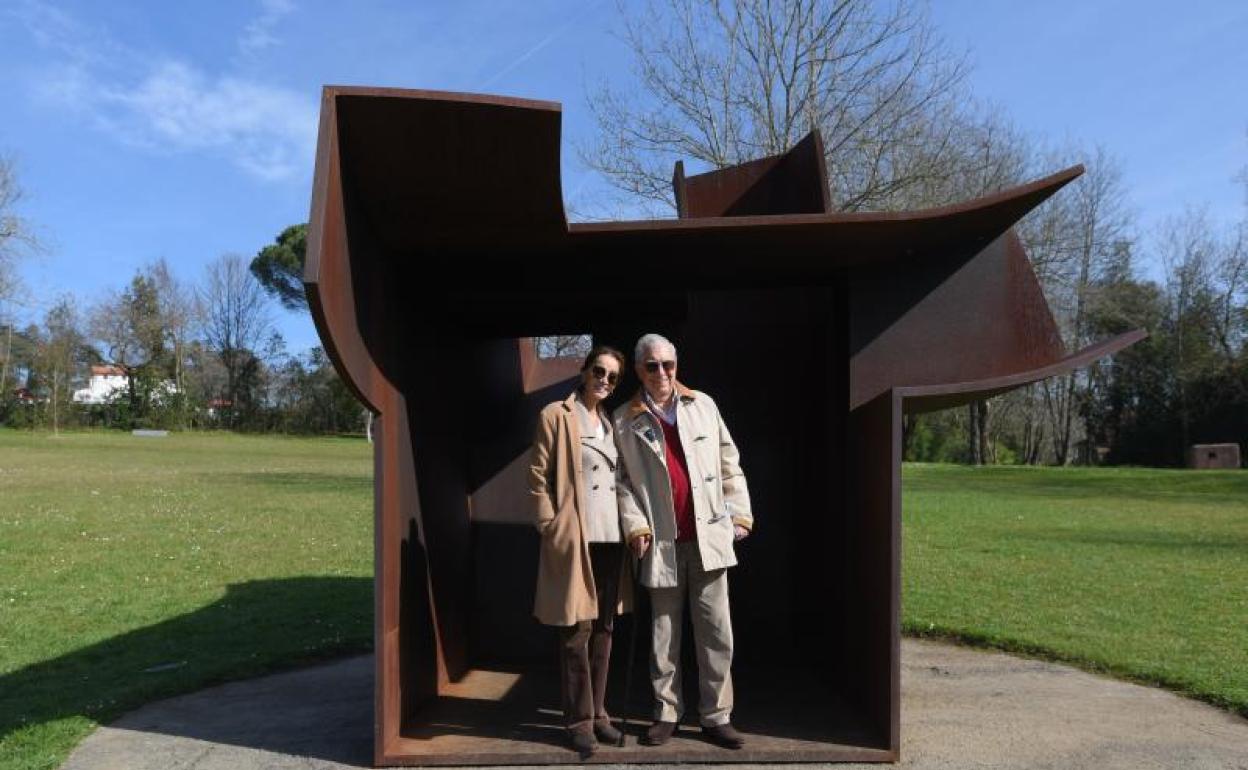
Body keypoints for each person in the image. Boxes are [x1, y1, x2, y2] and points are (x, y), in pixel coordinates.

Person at [613, 333, 753, 749]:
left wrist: (739, 513)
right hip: (661, 542)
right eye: (652, 366)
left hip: (708, 536)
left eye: (668, 364)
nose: (662, 373)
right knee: (663, 634)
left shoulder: (702, 405)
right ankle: (665, 713)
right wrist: (635, 527)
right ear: (639, 370)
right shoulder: (624, 417)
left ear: (677, 365)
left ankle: (715, 715)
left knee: (716, 631)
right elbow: (621, 484)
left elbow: (730, 462)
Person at [528, 345, 631, 757]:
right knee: (576, 632)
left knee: (604, 630)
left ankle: (600, 713)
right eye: (599, 372)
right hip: (575, 538)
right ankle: (578, 721)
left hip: (612, 537)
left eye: (613, 377)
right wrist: (550, 526)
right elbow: (537, 474)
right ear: (585, 371)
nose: (604, 381)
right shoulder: (556, 414)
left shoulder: (611, 424)